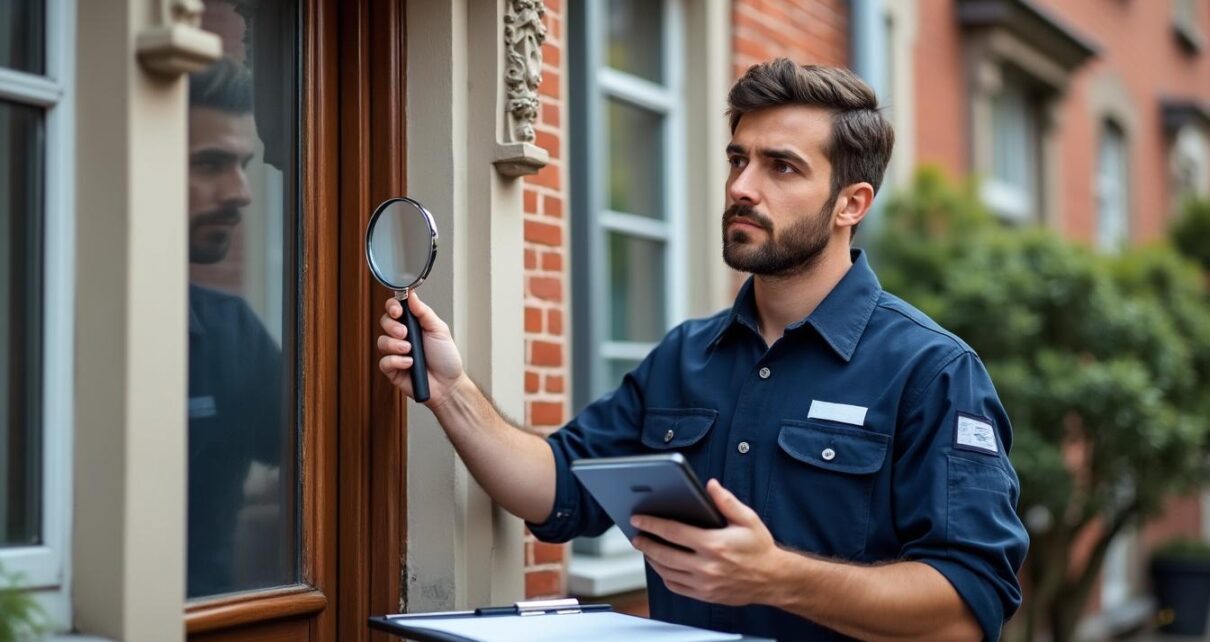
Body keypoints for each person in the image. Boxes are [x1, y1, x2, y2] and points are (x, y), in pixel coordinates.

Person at [377, 59, 1028, 642]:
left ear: (850, 204)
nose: (743, 186)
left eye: (781, 166)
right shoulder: (686, 357)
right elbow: (557, 488)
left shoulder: (933, 371)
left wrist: (775, 576)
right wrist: (452, 390)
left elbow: (966, 609)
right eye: (737, 159)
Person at [186, 58, 285, 598]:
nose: (242, 191)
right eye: (211, 165)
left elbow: (317, 456)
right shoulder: (42, 329)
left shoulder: (233, 334)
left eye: (243, 164)